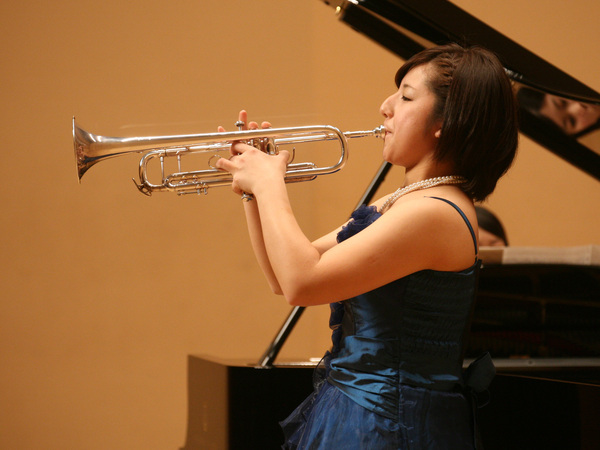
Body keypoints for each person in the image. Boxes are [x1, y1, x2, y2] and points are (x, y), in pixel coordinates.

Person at [215, 43, 519, 449]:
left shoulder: (435, 212)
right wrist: (253, 191)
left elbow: (302, 282)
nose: (385, 107)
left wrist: (270, 184)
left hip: (387, 427)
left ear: (445, 122)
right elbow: (281, 275)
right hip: (360, 412)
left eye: (406, 97)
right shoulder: (409, 200)